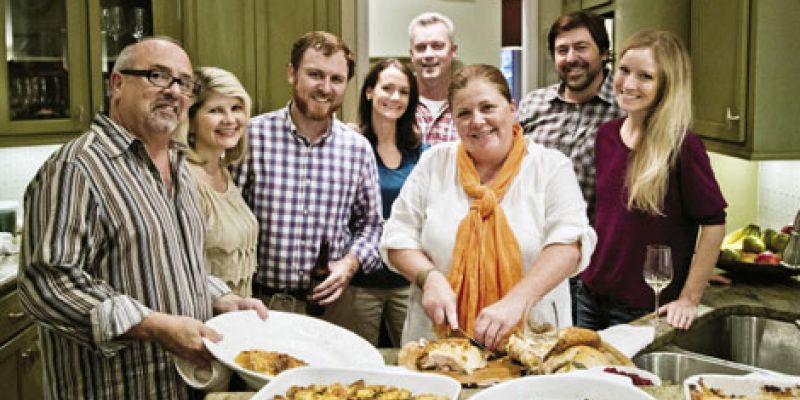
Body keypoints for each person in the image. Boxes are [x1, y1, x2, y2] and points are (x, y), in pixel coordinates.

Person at [17, 37, 268, 400]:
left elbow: (176, 265)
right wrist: (154, 326)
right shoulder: (76, 168)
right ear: (118, 84)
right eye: (157, 76)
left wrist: (222, 298)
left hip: (181, 386)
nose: (174, 91)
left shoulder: (179, 166)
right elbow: (47, 285)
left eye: (184, 83)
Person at [381, 64, 596, 349]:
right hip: (440, 341)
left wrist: (517, 300)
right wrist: (428, 277)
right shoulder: (435, 163)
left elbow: (569, 244)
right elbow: (397, 236)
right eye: (464, 113)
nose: (477, 121)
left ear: (512, 109)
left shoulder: (550, 166)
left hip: (531, 340)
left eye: (487, 107)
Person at [576, 30, 727, 331]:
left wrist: (690, 296)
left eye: (645, 76)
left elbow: (714, 224)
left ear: (667, 86)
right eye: (624, 70)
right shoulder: (606, 135)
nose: (629, 84)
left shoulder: (683, 147)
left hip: (643, 306)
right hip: (589, 293)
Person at [232, 31, 383, 318]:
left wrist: (349, 264)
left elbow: (372, 226)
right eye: (315, 75)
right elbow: (229, 219)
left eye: (336, 79)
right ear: (292, 73)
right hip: (260, 305)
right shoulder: (251, 136)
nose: (325, 88)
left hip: (331, 308)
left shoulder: (358, 149)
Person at [334, 58, 428, 347]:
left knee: (413, 357)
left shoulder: (420, 153)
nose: (395, 97)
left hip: (406, 281)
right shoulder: (350, 146)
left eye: (404, 92)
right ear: (369, 92)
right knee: (358, 361)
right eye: (387, 88)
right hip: (360, 283)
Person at [517, 11, 625, 221]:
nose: (571, 58)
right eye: (562, 50)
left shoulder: (626, 109)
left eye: (581, 47)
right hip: (533, 234)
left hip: (597, 239)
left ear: (604, 52)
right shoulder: (532, 104)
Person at [183, 67, 258, 297]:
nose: (230, 120)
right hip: (205, 315)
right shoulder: (185, 180)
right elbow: (183, 270)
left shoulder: (224, 171)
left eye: (236, 108)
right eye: (215, 110)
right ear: (190, 121)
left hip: (239, 313)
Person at [408, 12, 459, 145]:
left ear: (453, 51)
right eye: (421, 48)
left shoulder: (468, 103)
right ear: (411, 55)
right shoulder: (398, 103)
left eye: (437, 46)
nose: (428, 54)